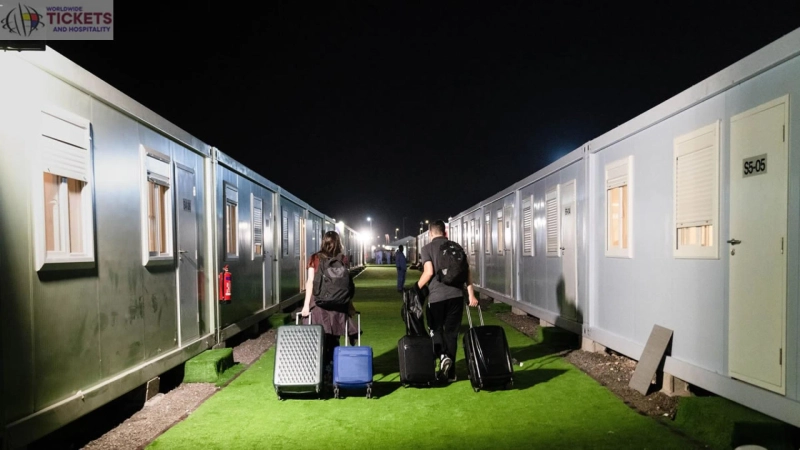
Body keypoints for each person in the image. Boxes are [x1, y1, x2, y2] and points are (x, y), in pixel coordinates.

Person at [416, 220, 479, 382]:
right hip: (457, 296)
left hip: (437, 297)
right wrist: (471, 295)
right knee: (451, 334)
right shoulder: (455, 247)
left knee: (434, 329)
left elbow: (428, 272)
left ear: (430, 233)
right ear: (445, 233)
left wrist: (415, 288)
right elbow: (467, 272)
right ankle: (451, 374)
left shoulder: (427, 249)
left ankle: (443, 356)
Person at [301, 231, 358, 376]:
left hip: (319, 305)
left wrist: (306, 305)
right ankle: (334, 370)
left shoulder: (315, 258)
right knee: (334, 338)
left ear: (323, 242)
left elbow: (310, 283)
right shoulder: (343, 259)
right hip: (338, 306)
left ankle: (319, 370)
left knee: (320, 338)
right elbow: (346, 285)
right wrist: (350, 306)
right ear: (338, 242)